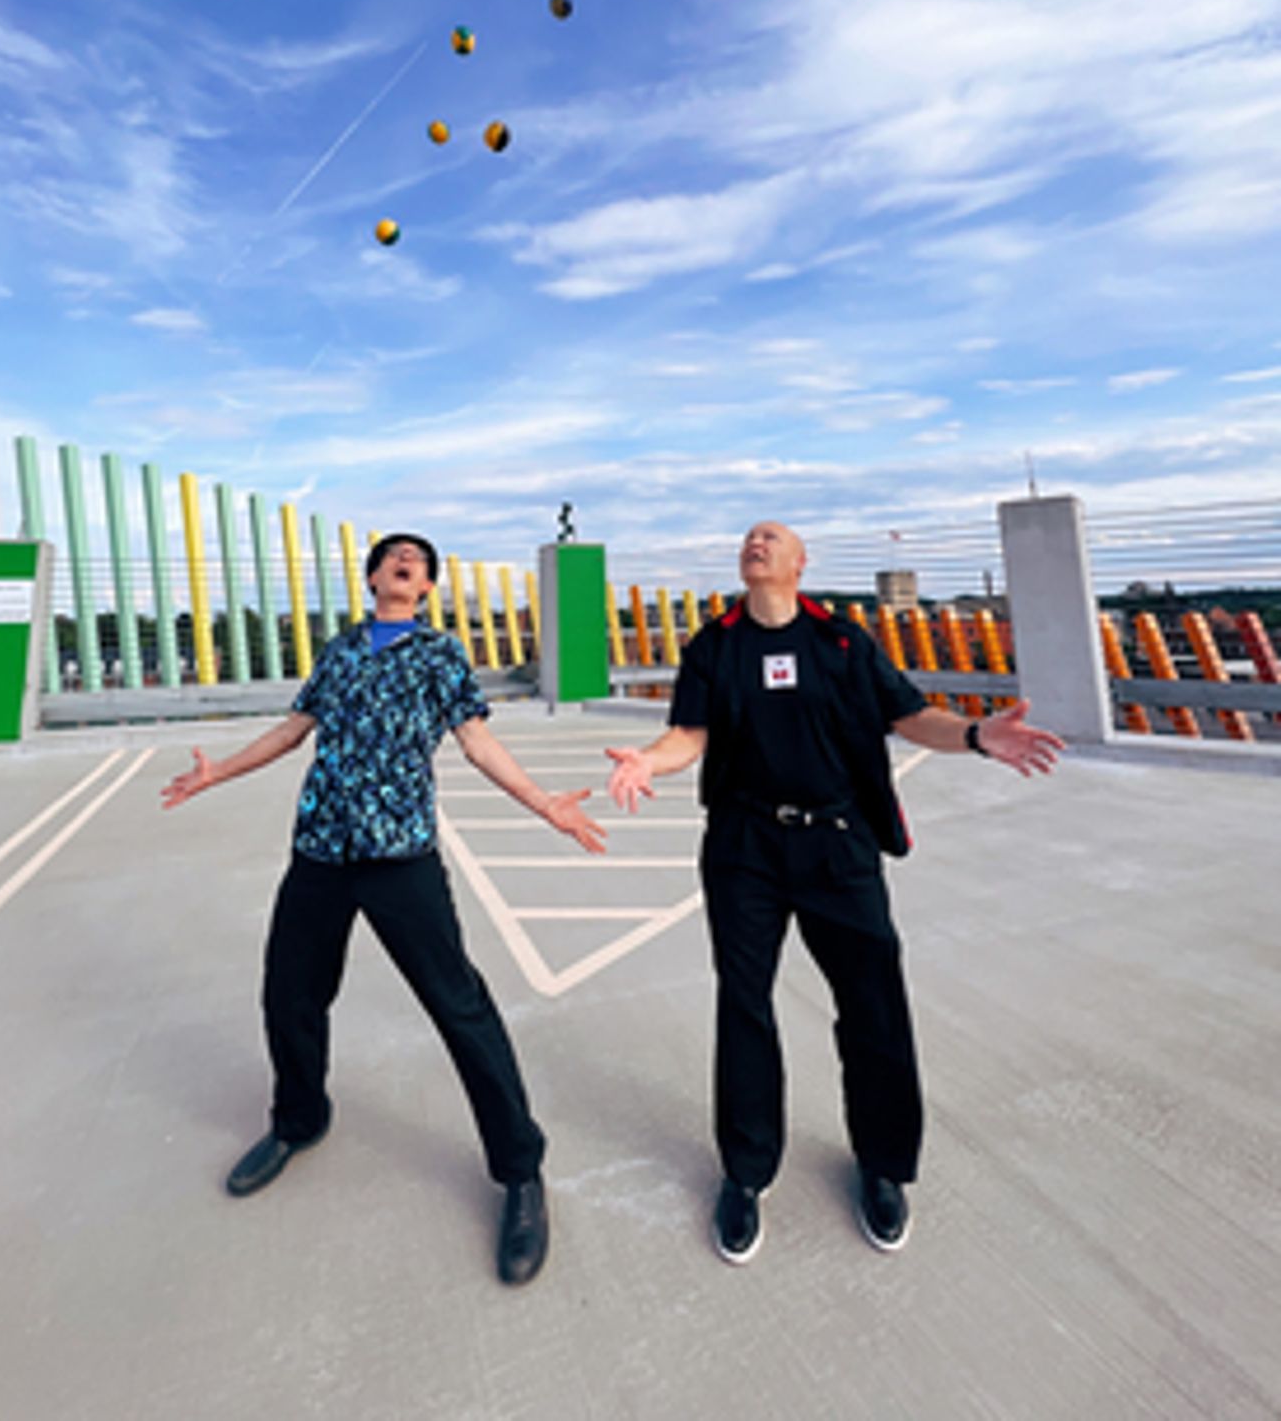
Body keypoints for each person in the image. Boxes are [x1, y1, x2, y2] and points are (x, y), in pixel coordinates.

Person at [605, 521, 1063, 1263]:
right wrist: (648, 762)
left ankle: (883, 1165)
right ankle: (746, 1172)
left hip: (838, 844)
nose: (756, 543)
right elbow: (689, 734)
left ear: (799, 562)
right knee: (744, 1005)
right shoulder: (715, 645)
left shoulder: (842, 642)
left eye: (771, 536)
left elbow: (911, 716)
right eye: (748, 537)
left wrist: (978, 735)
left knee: (873, 1003)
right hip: (744, 847)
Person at [161, 532, 605, 1286]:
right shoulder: (339, 650)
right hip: (320, 851)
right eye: (393, 555)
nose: (405, 562)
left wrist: (542, 803)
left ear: (426, 587)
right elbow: (294, 730)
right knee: (290, 996)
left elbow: (476, 741)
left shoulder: (439, 653)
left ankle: (520, 1171)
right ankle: (299, 1121)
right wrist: (218, 773)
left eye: (418, 561)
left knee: (459, 1007)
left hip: (400, 856)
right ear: (372, 577)